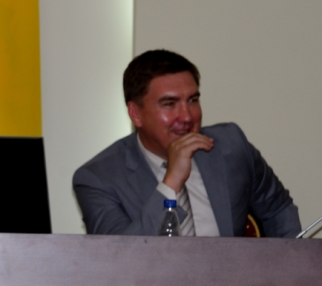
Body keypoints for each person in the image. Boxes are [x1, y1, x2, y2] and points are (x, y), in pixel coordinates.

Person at [73, 49, 300, 237]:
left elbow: (278, 209)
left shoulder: (231, 145)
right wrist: (171, 182)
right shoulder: (98, 178)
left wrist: (289, 270)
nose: (187, 116)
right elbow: (119, 258)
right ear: (136, 114)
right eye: (169, 104)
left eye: (192, 100)